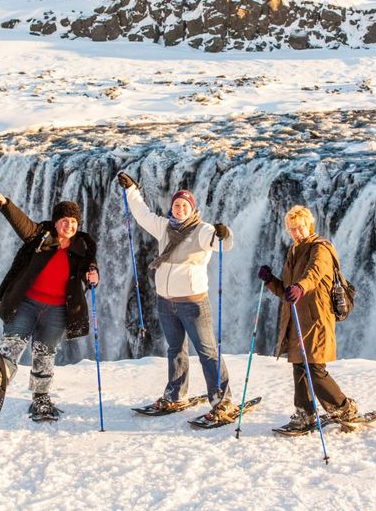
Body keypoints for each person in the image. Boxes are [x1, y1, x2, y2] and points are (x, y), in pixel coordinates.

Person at [117, 172, 238, 423]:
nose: (179, 208)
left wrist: (225, 235)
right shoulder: (164, 227)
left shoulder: (203, 231)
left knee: (207, 351)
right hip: (165, 301)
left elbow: (222, 245)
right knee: (175, 350)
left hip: (193, 303)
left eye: (184, 205)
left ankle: (222, 400)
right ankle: (175, 394)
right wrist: (131, 190)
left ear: (192, 208)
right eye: (176, 205)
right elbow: (142, 214)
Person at [0, 192, 99, 418]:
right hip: (26, 303)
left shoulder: (83, 246)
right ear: (55, 223)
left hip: (57, 310)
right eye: (64, 220)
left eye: (73, 222)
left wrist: (93, 275)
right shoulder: (40, 235)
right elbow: (23, 224)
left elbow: (89, 267)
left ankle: (41, 399)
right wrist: (5, 205)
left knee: (45, 354)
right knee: (12, 345)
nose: (69, 225)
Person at [257, 205, 358, 430]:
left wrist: (301, 288)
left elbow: (314, 273)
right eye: (292, 229)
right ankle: (305, 413)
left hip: (316, 318)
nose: (297, 232)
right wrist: (270, 280)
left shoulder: (320, 248)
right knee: (299, 367)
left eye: (300, 227)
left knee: (315, 370)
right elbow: (286, 290)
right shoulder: (294, 250)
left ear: (309, 225)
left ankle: (343, 407)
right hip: (295, 319)